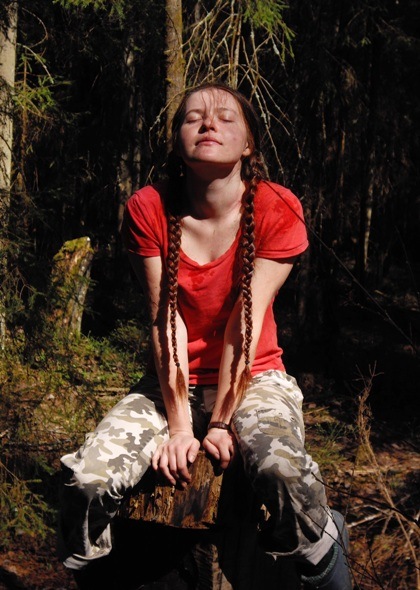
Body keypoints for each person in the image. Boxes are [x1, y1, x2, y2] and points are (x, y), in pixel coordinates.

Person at [58, 82, 352, 589]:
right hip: (170, 383)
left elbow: (245, 320)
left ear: (249, 143)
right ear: (177, 140)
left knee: (282, 474)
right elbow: (164, 318)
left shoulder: (278, 207)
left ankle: (323, 558)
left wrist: (219, 423)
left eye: (225, 117)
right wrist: (178, 428)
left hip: (256, 376)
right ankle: (94, 573)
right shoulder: (149, 207)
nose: (209, 123)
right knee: (86, 481)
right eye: (193, 117)